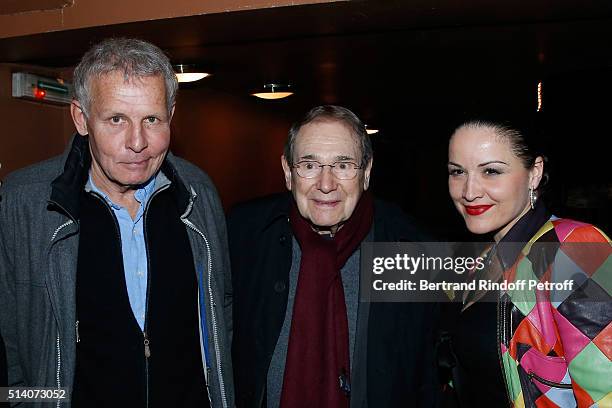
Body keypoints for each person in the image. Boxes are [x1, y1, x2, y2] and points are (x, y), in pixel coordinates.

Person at [0, 38, 233, 407]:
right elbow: (8, 352)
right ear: (81, 118)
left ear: (171, 115)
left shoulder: (198, 193)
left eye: (152, 119)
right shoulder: (24, 202)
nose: (137, 142)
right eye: (116, 119)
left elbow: (221, 320)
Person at [229, 105, 437, 407]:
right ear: (288, 172)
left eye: (343, 165)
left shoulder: (409, 247)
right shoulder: (246, 234)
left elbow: (425, 376)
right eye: (310, 165)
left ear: (366, 173)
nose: (326, 185)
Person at [444, 118, 611, 407]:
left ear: (534, 173)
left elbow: (605, 395)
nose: (469, 192)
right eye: (458, 172)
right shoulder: (480, 260)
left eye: (491, 171)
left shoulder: (573, 248)